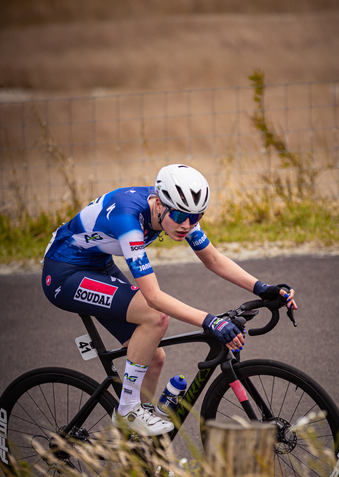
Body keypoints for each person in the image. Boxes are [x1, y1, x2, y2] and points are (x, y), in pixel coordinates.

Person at [42, 164, 297, 437]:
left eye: (195, 216)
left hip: (97, 265)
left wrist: (262, 288)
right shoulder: (128, 219)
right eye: (179, 216)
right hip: (64, 274)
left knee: (154, 357)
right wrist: (210, 321)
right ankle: (128, 410)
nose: (186, 225)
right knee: (155, 318)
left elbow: (212, 259)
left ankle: (138, 448)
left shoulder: (177, 212)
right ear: (161, 205)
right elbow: (154, 297)